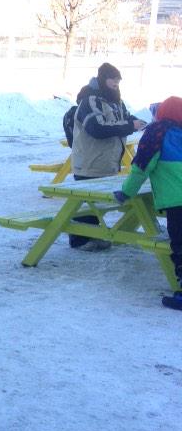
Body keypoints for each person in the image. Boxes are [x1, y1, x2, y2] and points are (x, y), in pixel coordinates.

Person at [69, 62, 146, 249]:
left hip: (107, 162)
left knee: (95, 204)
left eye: (118, 80)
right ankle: (79, 240)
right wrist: (129, 126)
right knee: (86, 202)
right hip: (89, 161)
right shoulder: (90, 100)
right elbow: (97, 128)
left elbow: (125, 118)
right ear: (103, 78)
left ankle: (92, 235)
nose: (116, 83)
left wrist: (138, 121)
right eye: (113, 79)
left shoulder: (116, 101)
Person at [114, 96, 182, 310]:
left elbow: (141, 168)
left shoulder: (156, 134)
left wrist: (126, 193)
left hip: (177, 202)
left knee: (180, 247)